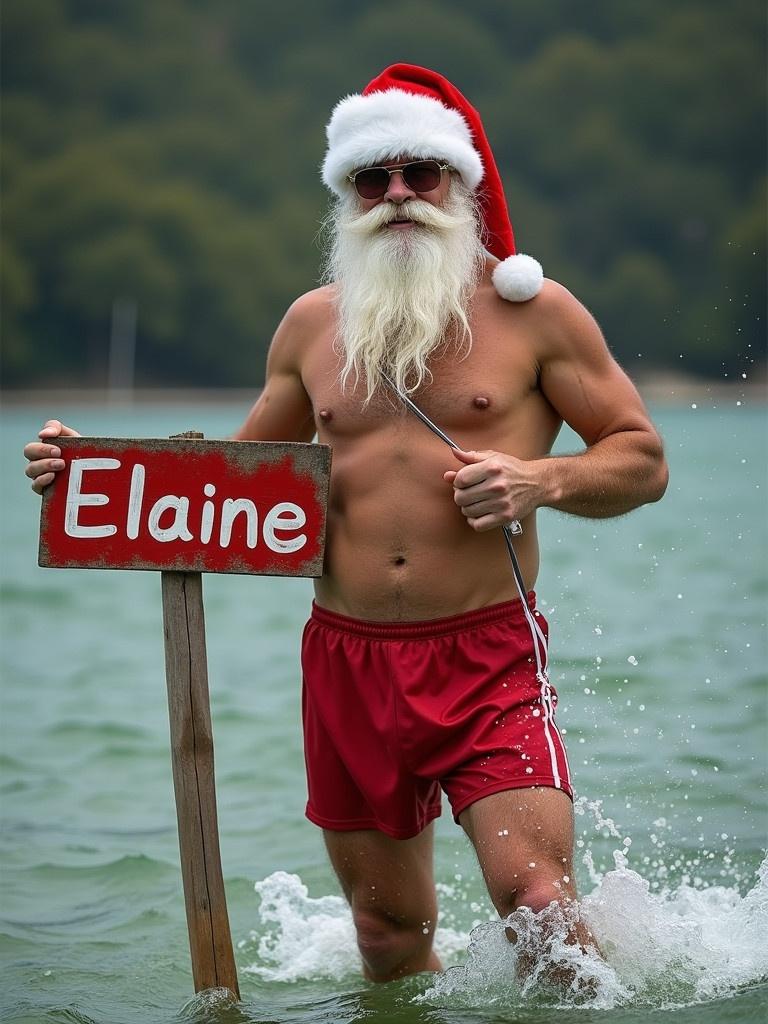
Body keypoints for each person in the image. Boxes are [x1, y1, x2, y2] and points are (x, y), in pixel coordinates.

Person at [24, 64, 668, 984]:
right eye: (375, 178)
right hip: (347, 663)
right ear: (348, 196)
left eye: (421, 173)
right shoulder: (310, 328)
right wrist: (85, 472)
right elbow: (228, 495)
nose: (399, 195)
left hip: (489, 654)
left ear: (461, 184)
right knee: (388, 937)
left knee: (540, 910)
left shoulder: (538, 314)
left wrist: (541, 479)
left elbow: (642, 458)